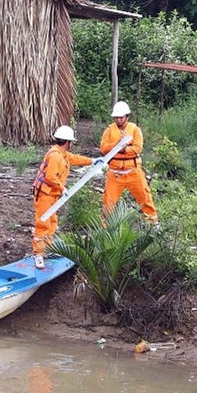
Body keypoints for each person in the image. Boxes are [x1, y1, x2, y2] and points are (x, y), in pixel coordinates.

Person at [31, 125, 94, 268]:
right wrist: (62, 188)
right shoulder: (55, 155)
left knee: (52, 223)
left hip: (51, 195)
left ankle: (47, 249)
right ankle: (38, 254)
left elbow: (75, 159)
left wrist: (92, 161)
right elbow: (50, 177)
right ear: (68, 142)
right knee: (43, 224)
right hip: (44, 195)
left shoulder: (62, 153)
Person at [101, 101, 158, 223]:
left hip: (133, 171)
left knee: (145, 197)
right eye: (116, 117)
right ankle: (105, 228)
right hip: (115, 173)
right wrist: (116, 145)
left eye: (121, 117)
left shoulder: (135, 130)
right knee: (108, 202)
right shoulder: (109, 131)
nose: (118, 120)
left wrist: (124, 149)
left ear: (127, 117)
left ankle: (153, 224)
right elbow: (104, 148)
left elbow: (137, 148)